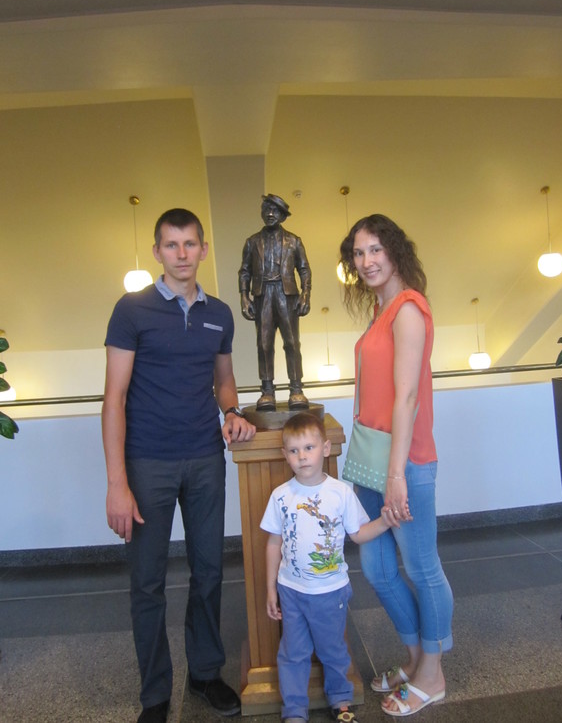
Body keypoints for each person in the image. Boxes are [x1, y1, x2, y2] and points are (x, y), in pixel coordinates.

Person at [102, 208, 256, 723]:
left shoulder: (220, 313)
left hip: (206, 458)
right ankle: (154, 695)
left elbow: (224, 380)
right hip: (148, 463)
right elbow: (113, 398)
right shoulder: (132, 310)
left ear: (203, 249)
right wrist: (117, 483)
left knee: (209, 570)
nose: (182, 254)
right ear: (157, 252)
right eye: (172, 245)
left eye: (190, 244)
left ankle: (205, 673)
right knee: (148, 582)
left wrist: (232, 412)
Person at [338, 214, 453, 717]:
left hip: (404, 464)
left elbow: (407, 397)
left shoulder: (408, 309)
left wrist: (396, 474)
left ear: (395, 251)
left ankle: (433, 672)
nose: (366, 261)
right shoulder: (380, 311)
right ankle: (414, 657)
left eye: (375, 249)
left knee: (422, 567)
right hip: (370, 460)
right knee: (378, 568)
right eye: (358, 253)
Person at [260, 412, 394, 723]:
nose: (302, 457)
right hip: (291, 591)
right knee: (292, 653)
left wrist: (384, 522)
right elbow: (273, 544)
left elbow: (358, 534)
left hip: (330, 592)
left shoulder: (340, 493)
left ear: (325, 448)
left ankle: (341, 700)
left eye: (308, 448)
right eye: (294, 450)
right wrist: (270, 588)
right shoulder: (281, 496)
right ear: (285, 454)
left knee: (333, 649)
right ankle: (294, 710)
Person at [239, 193, 312, 411]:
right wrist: (244, 296)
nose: (270, 214)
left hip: (286, 294)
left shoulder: (294, 241)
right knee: (264, 344)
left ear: (282, 216)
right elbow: (244, 271)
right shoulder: (252, 242)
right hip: (262, 295)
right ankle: (267, 391)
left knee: (292, 342)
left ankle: (296, 388)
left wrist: (306, 293)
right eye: (266, 210)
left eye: (275, 211)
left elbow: (304, 269)